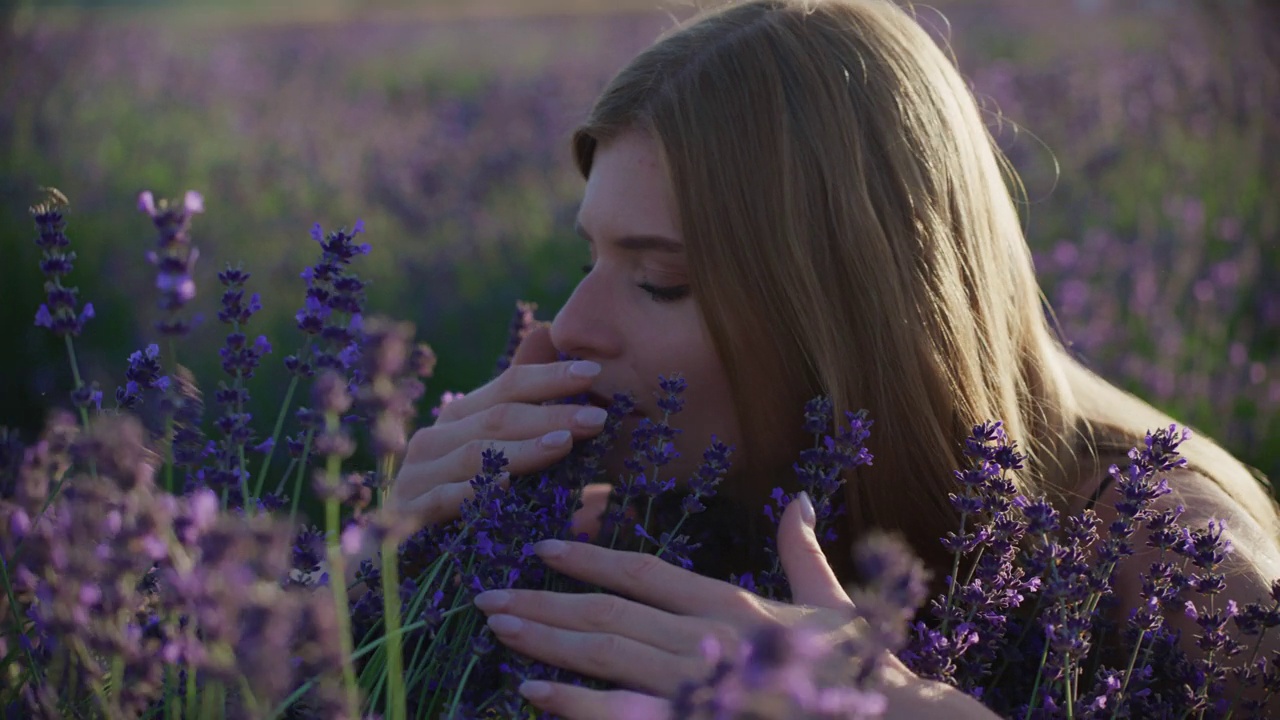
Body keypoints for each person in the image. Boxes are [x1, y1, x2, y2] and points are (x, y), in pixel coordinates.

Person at [389, 0, 1280, 716]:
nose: (573, 324)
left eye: (661, 280)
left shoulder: (1182, 573)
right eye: (591, 259)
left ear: (845, 308)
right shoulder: (624, 518)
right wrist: (386, 591)